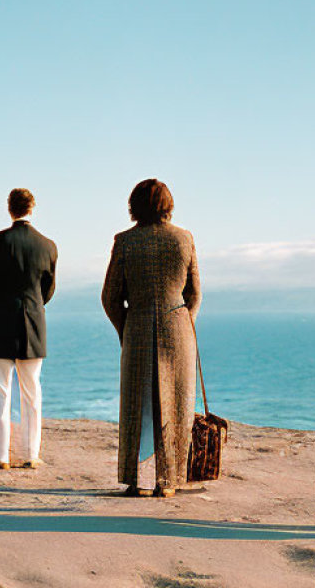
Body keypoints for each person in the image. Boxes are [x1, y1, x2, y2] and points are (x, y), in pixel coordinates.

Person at [102, 179, 201, 498]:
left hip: (139, 324)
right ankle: (169, 481)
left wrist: (126, 328)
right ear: (168, 205)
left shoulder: (125, 241)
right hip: (178, 327)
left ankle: (137, 480)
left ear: (134, 205)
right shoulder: (184, 239)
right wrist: (185, 323)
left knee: (137, 405)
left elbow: (110, 297)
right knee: (177, 404)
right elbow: (194, 293)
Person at [0, 188, 57, 469]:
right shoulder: (48, 245)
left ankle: (0, 456)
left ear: (10, 209)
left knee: (0, 392)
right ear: (32, 208)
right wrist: (32, 306)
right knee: (32, 393)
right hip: (33, 323)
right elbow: (48, 290)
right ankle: (31, 455)